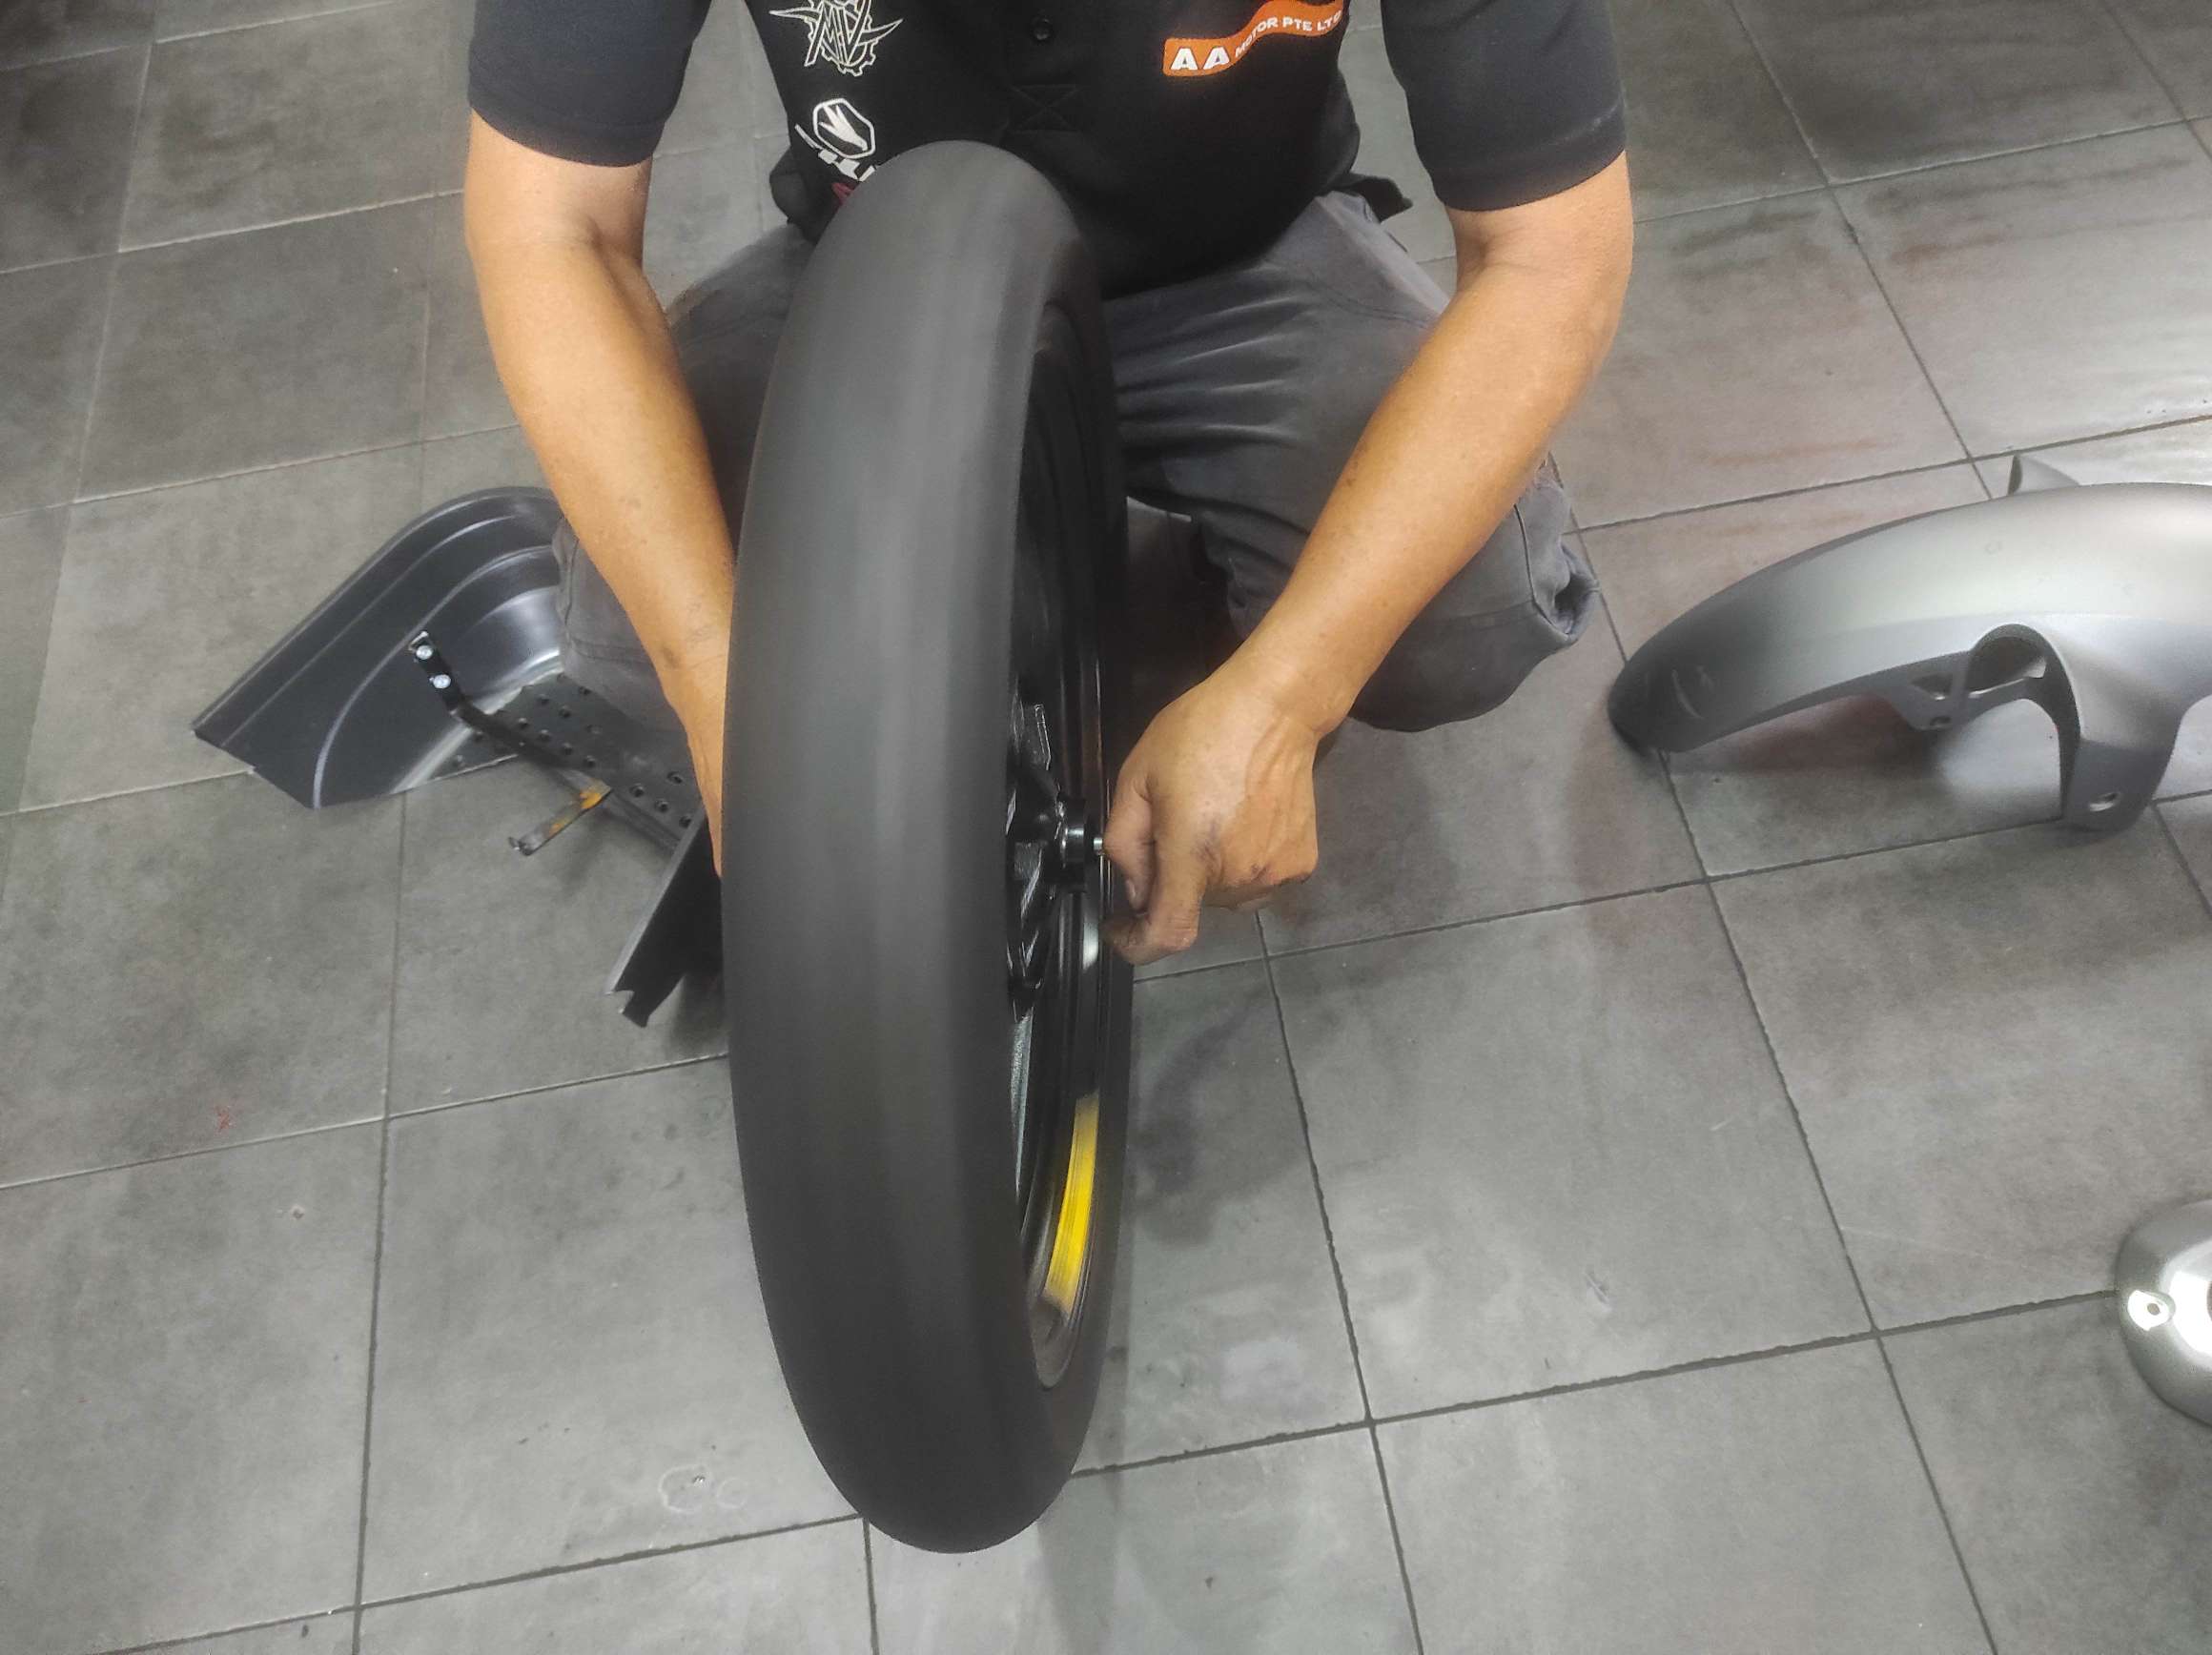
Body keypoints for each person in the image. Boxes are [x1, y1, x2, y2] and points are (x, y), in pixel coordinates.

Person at [462, 0, 1632, 965]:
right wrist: (721, 679)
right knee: (636, 633)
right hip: (881, 267)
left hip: (1238, 261)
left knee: (1460, 615)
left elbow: (1550, 255)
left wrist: (1287, 691)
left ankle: (1179, 620)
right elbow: (553, 228)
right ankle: (1018, 611)